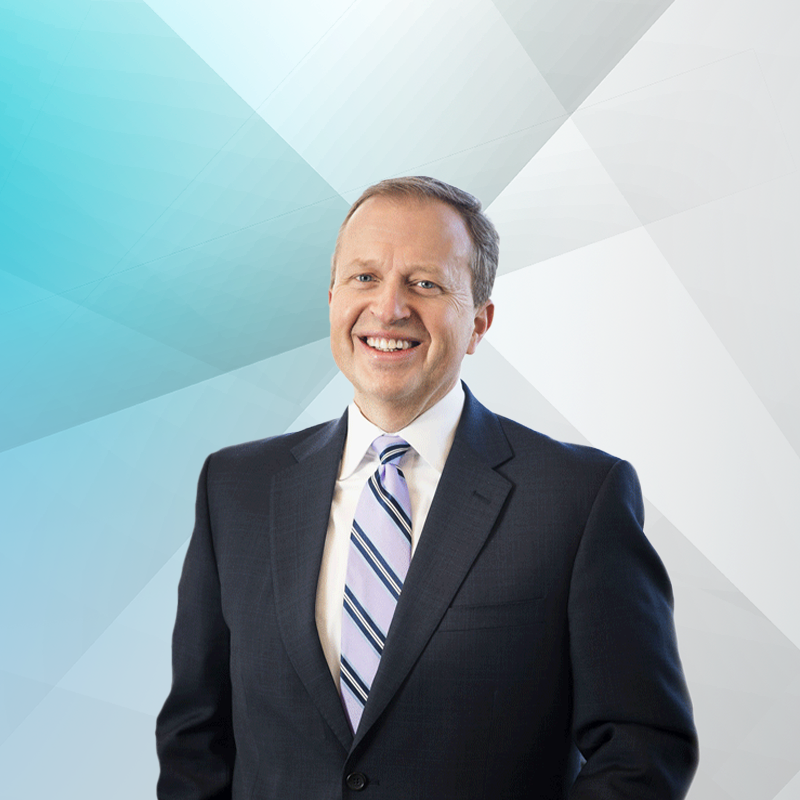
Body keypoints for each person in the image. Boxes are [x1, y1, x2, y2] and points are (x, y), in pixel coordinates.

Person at [156, 176, 698, 799]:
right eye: (364, 277)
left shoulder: (577, 499)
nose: (389, 309)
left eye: (426, 283)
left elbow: (641, 751)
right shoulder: (236, 490)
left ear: (479, 322)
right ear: (331, 298)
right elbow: (196, 741)